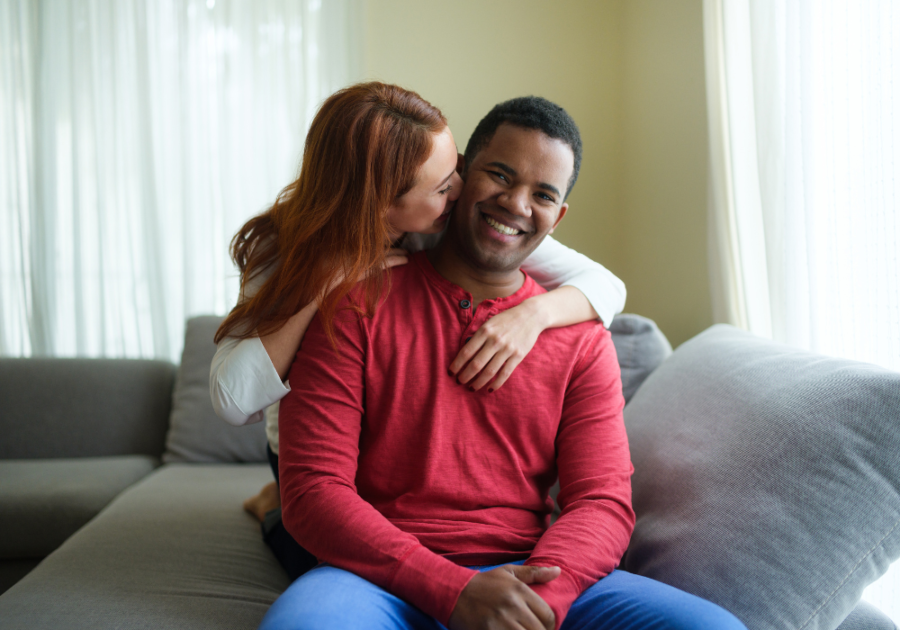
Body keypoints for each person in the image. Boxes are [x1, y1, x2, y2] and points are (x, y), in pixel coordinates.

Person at [261, 98, 747, 630]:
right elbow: (313, 492)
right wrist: (452, 589)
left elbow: (602, 504)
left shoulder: (582, 339)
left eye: (543, 195)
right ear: (461, 176)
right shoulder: (354, 303)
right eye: (500, 174)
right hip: (380, 577)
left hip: (533, 577)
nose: (516, 204)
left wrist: (534, 603)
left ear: (557, 216)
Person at [209, 82, 627, 578]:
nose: (462, 190)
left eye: (455, 172)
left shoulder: (451, 220)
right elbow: (232, 399)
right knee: (317, 546)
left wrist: (531, 316)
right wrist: (327, 281)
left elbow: (605, 285)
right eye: (444, 185)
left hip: (391, 453)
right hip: (309, 447)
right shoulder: (283, 247)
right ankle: (271, 505)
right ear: (382, 203)